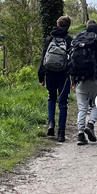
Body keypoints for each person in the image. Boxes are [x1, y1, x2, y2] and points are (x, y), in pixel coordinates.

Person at [70, 21, 97, 145]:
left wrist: (73, 80)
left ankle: (80, 134)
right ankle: (90, 124)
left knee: (82, 107)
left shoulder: (79, 44)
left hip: (80, 79)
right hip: (95, 79)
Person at [37, 15, 72, 143]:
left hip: (49, 73)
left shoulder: (49, 39)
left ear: (57, 25)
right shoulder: (69, 40)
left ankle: (51, 123)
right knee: (63, 103)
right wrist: (73, 78)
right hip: (63, 75)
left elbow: (43, 58)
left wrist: (41, 75)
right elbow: (72, 61)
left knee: (51, 98)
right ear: (68, 26)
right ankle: (61, 132)